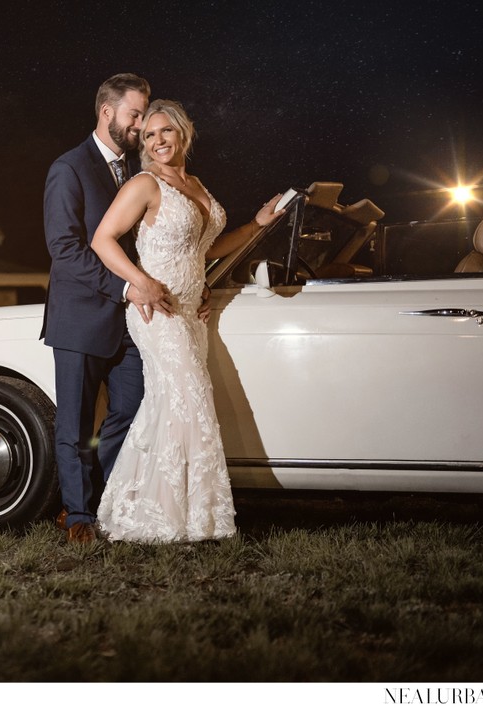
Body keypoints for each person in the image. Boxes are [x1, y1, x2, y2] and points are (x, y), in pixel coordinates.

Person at [90, 99, 285, 543]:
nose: (157, 141)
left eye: (166, 132)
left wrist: (257, 223)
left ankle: (170, 512)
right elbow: (103, 239)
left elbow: (207, 249)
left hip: (192, 312)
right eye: (150, 134)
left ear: (184, 135)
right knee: (191, 399)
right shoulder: (144, 184)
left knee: (169, 408)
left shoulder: (195, 183)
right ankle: (171, 517)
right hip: (156, 312)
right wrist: (140, 282)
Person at [42, 73, 182, 544]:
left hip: (131, 322)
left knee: (132, 408)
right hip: (82, 316)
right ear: (107, 112)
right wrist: (127, 289)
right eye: (135, 115)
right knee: (76, 425)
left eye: (145, 115)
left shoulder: (138, 172)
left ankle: (103, 498)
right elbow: (65, 249)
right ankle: (78, 516)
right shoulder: (69, 168)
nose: (141, 125)